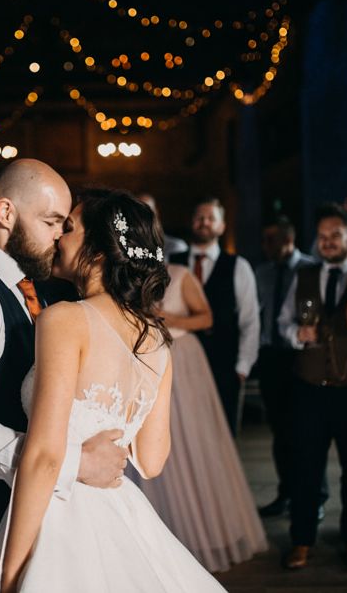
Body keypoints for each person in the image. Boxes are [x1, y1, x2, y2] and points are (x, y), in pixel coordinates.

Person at [0, 187, 225, 592]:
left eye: (69, 228)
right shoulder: (157, 339)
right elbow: (151, 460)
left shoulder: (64, 320)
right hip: (120, 512)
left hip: (59, 515)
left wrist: (8, 576)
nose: (57, 236)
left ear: (98, 250)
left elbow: (42, 458)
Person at [0, 160, 153, 593]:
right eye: (50, 221)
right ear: (6, 213)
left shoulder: (36, 292)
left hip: (33, 514)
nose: (59, 235)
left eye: (65, 225)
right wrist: (76, 461)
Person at [131, 261, 267, 571]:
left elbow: (207, 318)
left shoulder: (179, 275)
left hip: (182, 358)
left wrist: (168, 317)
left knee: (192, 442)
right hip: (144, 357)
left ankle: (202, 531)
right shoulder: (123, 274)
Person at [278, 204, 347, 569]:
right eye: (322, 236)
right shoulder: (304, 275)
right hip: (310, 388)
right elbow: (283, 323)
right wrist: (296, 334)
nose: (327, 242)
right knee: (306, 467)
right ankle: (301, 541)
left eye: (335, 235)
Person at [170, 197, 260, 434]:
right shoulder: (172, 264)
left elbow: (250, 321)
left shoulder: (238, 266)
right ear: (191, 223)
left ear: (221, 226)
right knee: (184, 432)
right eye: (199, 218)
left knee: (221, 434)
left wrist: (242, 367)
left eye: (211, 218)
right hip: (180, 365)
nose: (204, 222)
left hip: (223, 366)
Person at [254, 216, 322, 519]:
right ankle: (286, 492)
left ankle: (316, 497)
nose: (265, 245)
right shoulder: (262, 272)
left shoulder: (311, 269)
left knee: (308, 432)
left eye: (271, 239)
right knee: (280, 432)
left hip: (302, 358)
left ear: (288, 239)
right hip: (271, 358)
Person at [138, 192, 188, 260]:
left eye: (147, 210)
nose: (143, 216)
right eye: (138, 211)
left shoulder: (176, 246)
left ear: (156, 212)